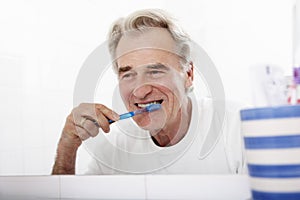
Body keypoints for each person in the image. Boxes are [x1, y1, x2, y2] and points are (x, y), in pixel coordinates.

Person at [52, 9, 245, 175]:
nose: (141, 91)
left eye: (155, 71)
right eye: (128, 74)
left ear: (188, 74)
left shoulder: (238, 127)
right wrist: (67, 148)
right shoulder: (114, 150)